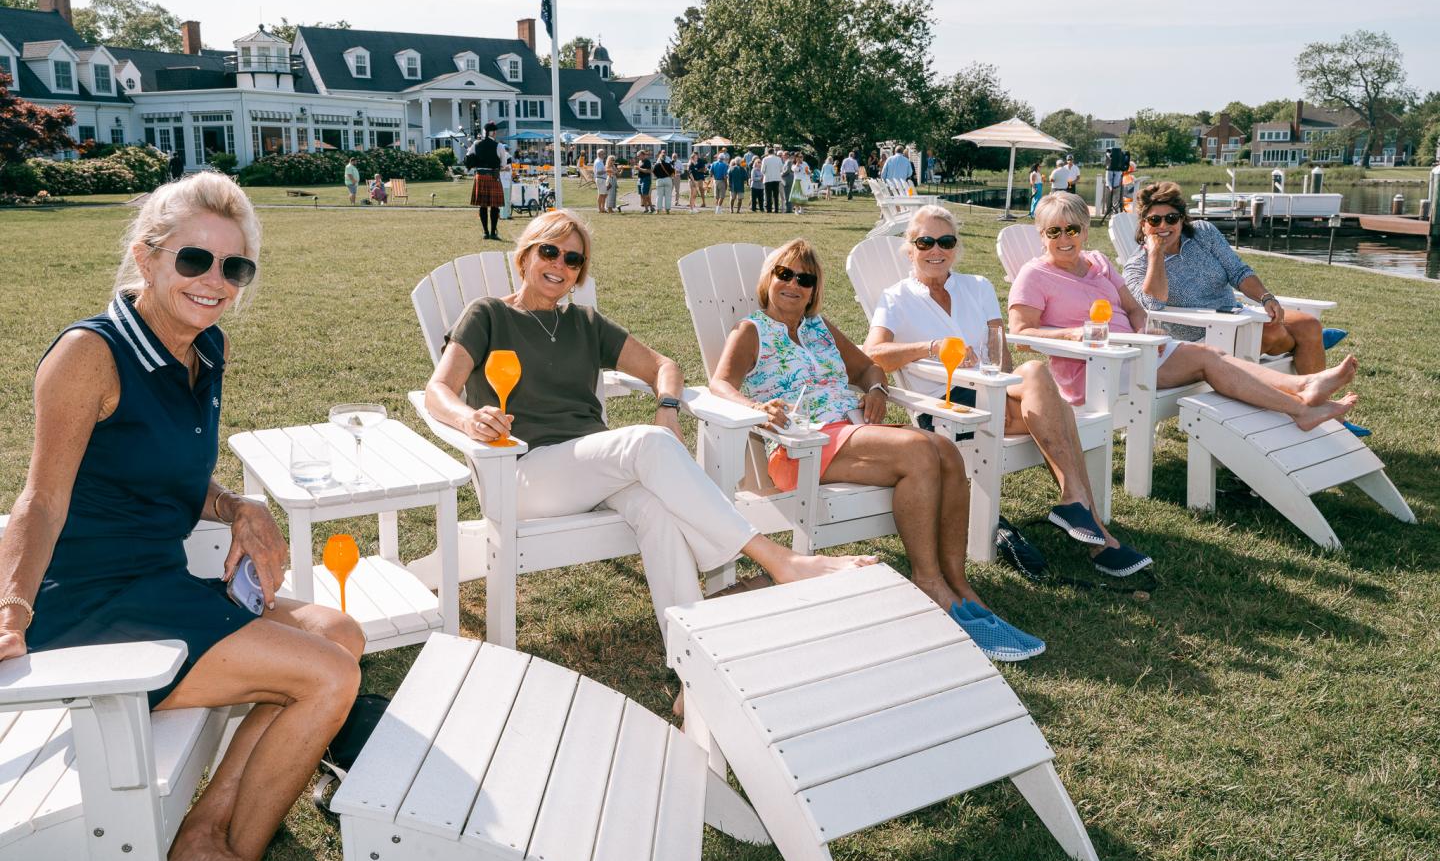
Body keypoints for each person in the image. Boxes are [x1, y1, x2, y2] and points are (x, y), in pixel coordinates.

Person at [0, 173, 363, 861]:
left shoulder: (204, 347)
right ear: (147, 257)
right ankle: (228, 854)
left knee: (339, 633)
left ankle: (204, 831)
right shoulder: (90, 355)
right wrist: (10, 608)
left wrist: (236, 505)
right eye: (193, 259)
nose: (214, 281)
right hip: (94, 607)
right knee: (327, 676)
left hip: (162, 584)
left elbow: (165, 469)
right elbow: (41, 500)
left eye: (235, 266)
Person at [423, 211, 876, 647]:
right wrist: (468, 417)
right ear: (525, 256)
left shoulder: (584, 323)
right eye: (549, 251)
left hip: (594, 469)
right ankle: (781, 560)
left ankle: (691, 659)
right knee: (645, 443)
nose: (560, 265)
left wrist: (667, 407)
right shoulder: (488, 315)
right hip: (520, 472)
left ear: (580, 273)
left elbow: (665, 366)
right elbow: (438, 389)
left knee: (658, 515)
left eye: (573, 259)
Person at [707, 239, 1043, 661]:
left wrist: (877, 387)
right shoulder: (751, 331)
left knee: (946, 452)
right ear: (769, 280)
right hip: (801, 450)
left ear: (813, 289)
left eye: (804, 279)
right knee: (921, 452)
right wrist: (755, 408)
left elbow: (868, 365)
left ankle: (958, 585)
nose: (793, 284)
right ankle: (928, 584)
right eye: (784, 274)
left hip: (853, 434)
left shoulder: (819, 328)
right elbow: (720, 384)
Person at [863, 205, 1151, 579]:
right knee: (1058, 412)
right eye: (925, 242)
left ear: (956, 246)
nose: (936, 250)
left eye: (945, 241)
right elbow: (873, 354)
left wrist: (1001, 381)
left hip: (993, 391)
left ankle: (1078, 509)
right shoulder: (896, 297)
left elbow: (1001, 354)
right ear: (910, 248)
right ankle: (1094, 530)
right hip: (947, 407)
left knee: (1034, 375)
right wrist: (930, 346)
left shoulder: (977, 286)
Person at [1009, 192, 1359, 435]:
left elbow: (1133, 307)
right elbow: (1021, 334)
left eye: (1072, 229)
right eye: (1054, 231)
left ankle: (1303, 391)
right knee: (1208, 360)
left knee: (1212, 354)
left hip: (1138, 352)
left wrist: (1145, 330)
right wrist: (1071, 335)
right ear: (1042, 236)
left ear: (1084, 231)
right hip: (1095, 367)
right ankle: (1301, 401)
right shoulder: (1034, 275)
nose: (1064, 238)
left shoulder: (1098, 262)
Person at [1121, 181, 1344, 379]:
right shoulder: (1136, 265)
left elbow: (1237, 271)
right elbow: (1152, 305)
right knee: (1276, 333)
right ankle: (1307, 348)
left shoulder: (1203, 233)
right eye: (1154, 220)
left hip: (1237, 315)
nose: (1163, 226)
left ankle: (1320, 397)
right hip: (1202, 336)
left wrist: (1266, 298)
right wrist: (1155, 254)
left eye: (1171, 218)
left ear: (1181, 219)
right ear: (1143, 225)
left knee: (1310, 324)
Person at [466, 122, 505, 238]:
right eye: (495, 132)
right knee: (494, 206)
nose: (496, 134)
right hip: (493, 176)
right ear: (492, 132)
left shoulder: (476, 144)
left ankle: (485, 232)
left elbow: (468, 159)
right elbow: (503, 164)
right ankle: (493, 233)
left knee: (483, 206)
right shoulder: (499, 146)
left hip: (480, 176)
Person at [1102, 145, 1129, 217]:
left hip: (1117, 187)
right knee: (1108, 202)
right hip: (1109, 187)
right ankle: (1107, 214)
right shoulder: (1109, 168)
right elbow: (1108, 179)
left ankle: (1115, 215)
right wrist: (1110, 187)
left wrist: (1117, 186)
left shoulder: (1119, 168)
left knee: (1115, 202)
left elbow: (1119, 178)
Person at [761, 147, 784, 213]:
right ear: (774, 152)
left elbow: (762, 170)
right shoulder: (778, 159)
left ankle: (769, 209)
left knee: (768, 195)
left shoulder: (765, 159)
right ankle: (776, 209)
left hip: (768, 179)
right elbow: (781, 169)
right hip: (776, 178)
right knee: (776, 195)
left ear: (768, 153)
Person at [498, 141, 514, 221]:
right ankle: (504, 215)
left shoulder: (503, 157)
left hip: (505, 180)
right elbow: (504, 169)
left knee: (506, 199)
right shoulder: (506, 156)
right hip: (505, 181)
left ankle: (506, 214)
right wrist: (505, 169)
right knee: (505, 199)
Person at [636, 149, 654, 213]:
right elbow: (640, 169)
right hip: (640, 179)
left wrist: (639, 169)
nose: (638, 157)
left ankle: (647, 209)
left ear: (643, 155)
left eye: (639, 155)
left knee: (645, 194)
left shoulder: (647, 161)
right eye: (637, 156)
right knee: (642, 194)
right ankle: (650, 208)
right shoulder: (640, 161)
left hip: (646, 178)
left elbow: (649, 171)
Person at [593, 149, 610, 214]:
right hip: (600, 179)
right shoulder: (598, 162)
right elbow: (598, 172)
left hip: (602, 179)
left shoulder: (599, 161)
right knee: (601, 194)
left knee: (604, 194)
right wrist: (607, 170)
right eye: (603, 154)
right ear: (599, 154)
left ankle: (602, 208)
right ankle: (600, 209)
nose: (604, 155)